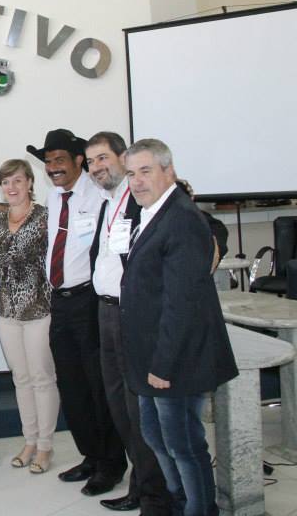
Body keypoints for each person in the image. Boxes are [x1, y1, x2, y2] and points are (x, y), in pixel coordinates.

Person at [121, 138, 238, 516]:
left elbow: (181, 303)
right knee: (156, 437)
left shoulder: (183, 219)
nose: (137, 181)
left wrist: (162, 365)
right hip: (152, 356)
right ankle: (181, 504)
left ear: (168, 171)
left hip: (175, 359)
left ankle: (201, 510)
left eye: (145, 171)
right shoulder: (154, 212)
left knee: (184, 445)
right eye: (131, 173)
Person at [26, 129, 126, 496]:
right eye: (48, 162)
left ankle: (112, 464)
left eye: (59, 161)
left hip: (90, 301)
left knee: (100, 386)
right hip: (60, 302)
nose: (53, 168)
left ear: (78, 161)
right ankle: (91, 456)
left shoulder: (99, 195)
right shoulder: (54, 198)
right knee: (72, 386)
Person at [85, 132, 171, 514]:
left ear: (122, 158)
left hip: (131, 315)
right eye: (90, 162)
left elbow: (200, 228)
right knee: (120, 406)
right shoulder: (107, 202)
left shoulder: (143, 199)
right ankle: (141, 482)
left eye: (103, 158)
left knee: (140, 410)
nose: (96, 167)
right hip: (105, 313)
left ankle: (154, 493)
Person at [0, 159, 58, 475]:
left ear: (31, 183)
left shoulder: (47, 216)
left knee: (42, 378)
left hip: (39, 308)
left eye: (18, 180)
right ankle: (29, 440)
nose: (12, 187)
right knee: (21, 378)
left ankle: (45, 446)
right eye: (6, 182)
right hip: (6, 310)